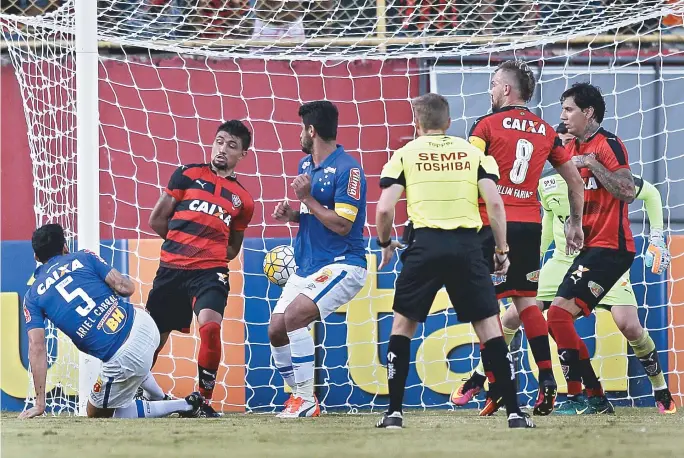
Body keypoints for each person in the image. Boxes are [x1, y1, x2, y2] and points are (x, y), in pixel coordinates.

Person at [455, 123, 676, 414]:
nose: (564, 148)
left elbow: (650, 193)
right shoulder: (545, 182)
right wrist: (526, 259)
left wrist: (657, 238)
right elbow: (547, 227)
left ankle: (660, 390)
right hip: (561, 261)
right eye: (561, 142)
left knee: (629, 325)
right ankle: (481, 376)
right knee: (512, 316)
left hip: (602, 256)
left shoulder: (598, 174)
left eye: (569, 142)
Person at [374, 93, 534, 429]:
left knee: (402, 327)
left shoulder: (404, 154)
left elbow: (385, 208)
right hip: (467, 247)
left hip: (425, 245)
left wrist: (386, 242)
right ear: (449, 122)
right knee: (490, 329)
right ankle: (516, 414)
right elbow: (495, 204)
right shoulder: (474, 153)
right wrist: (501, 251)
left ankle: (394, 414)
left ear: (417, 124)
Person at [459, 60, 585, 417]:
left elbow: (469, 173)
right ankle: (547, 379)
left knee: (486, 309)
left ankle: (499, 385)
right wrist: (575, 223)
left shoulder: (484, 126)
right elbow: (575, 182)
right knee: (527, 302)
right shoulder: (546, 131)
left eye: (495, 84)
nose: (491, 89)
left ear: (507, 90)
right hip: (530, 225)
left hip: (491, 225)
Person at [20, 224, 204, 419]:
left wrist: (40, 403)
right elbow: (126, 288)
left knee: (96, 412)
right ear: (65, 247)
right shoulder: (84, 256)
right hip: (146, 325)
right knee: (127, 357)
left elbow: (37, 347)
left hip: (124, 356)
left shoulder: (32, 297)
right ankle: (158, 395)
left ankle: (184, 405)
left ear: (36, 257)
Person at [146, 120, 255, 417]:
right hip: (172, 269)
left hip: (210, 272)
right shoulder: (187, 174)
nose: (223, 149)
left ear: (242, 154)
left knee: (210, 327)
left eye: (232, 146)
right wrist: (185, 247)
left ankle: (202, 401)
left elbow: (233, 247)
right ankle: (132, 390)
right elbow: (157, 220)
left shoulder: (243, 200)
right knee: (153, 338)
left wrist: (208, 256)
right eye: (220, 141)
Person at [269, 100, 368, 418]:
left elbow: (342, 224)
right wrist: (294, 215)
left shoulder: (348, 169)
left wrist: (307, 198)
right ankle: (296, 395)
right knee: (275, 329)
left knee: (295, 316)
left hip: (343, 263)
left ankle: (306, 400)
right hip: (307, 265)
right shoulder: (305, 167)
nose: (299, 134)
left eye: (301, 128)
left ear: (311, 131)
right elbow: (316, 216)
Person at [545, 82, 639, 415]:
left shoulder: (608, 144)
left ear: (588, 112)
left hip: (613, 248)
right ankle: (596, 397)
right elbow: (572, 190)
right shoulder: (569, 149)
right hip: (590, 249)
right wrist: (573, 222)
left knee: (556, 316)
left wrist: (593, 163)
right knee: (556, 320)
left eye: (569, 109)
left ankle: (577, 397)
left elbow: (628, 191)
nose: (563, 116)